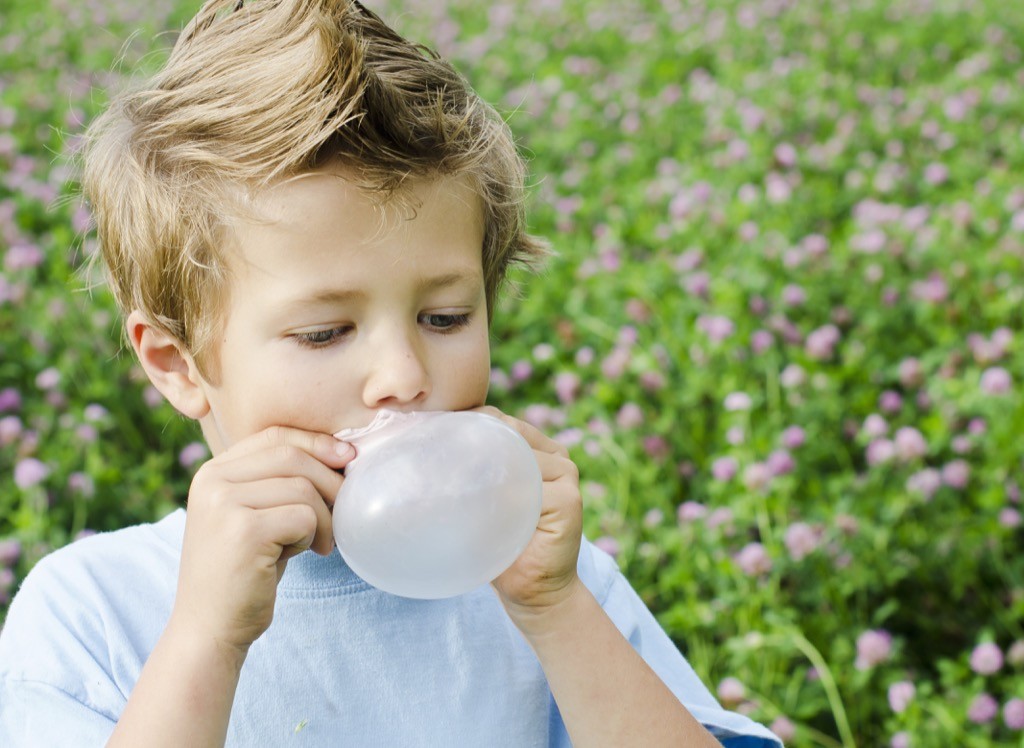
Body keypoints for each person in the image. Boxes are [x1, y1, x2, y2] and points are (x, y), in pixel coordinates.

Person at [0, 1, 782, 745]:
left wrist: (557, 608)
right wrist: (207, 638)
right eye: (323, 332)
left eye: (444, 318)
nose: (402, 377)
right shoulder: (93, 609)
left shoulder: (548, 582)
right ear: (179, 364)